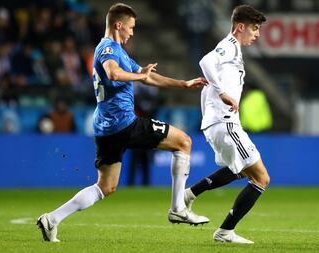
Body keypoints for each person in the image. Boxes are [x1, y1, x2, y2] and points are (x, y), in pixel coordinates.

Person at [37, 3, 209, 242]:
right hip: (123, 123)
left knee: (105, 187)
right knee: (184, 142)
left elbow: (147, 76)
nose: (132, 32)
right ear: (118, 25)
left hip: (106, 128)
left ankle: (52, 219)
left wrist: (183, 83)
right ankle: (178, 209)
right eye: (131, 27)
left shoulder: (119, 50)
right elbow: (113, 74)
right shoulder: (107, 49)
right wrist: (139, 76)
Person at [185, 5, 269, 244]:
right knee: (261, 178)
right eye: (254, 28)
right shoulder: (229, 45)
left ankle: (190, 194)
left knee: (239, 170)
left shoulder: (234, 49)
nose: (257, 34)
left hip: (218, 123)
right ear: (240, 26)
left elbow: (209, 82)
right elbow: (205, 61)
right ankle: (225, 232)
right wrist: (222, 93)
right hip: (225, 122)